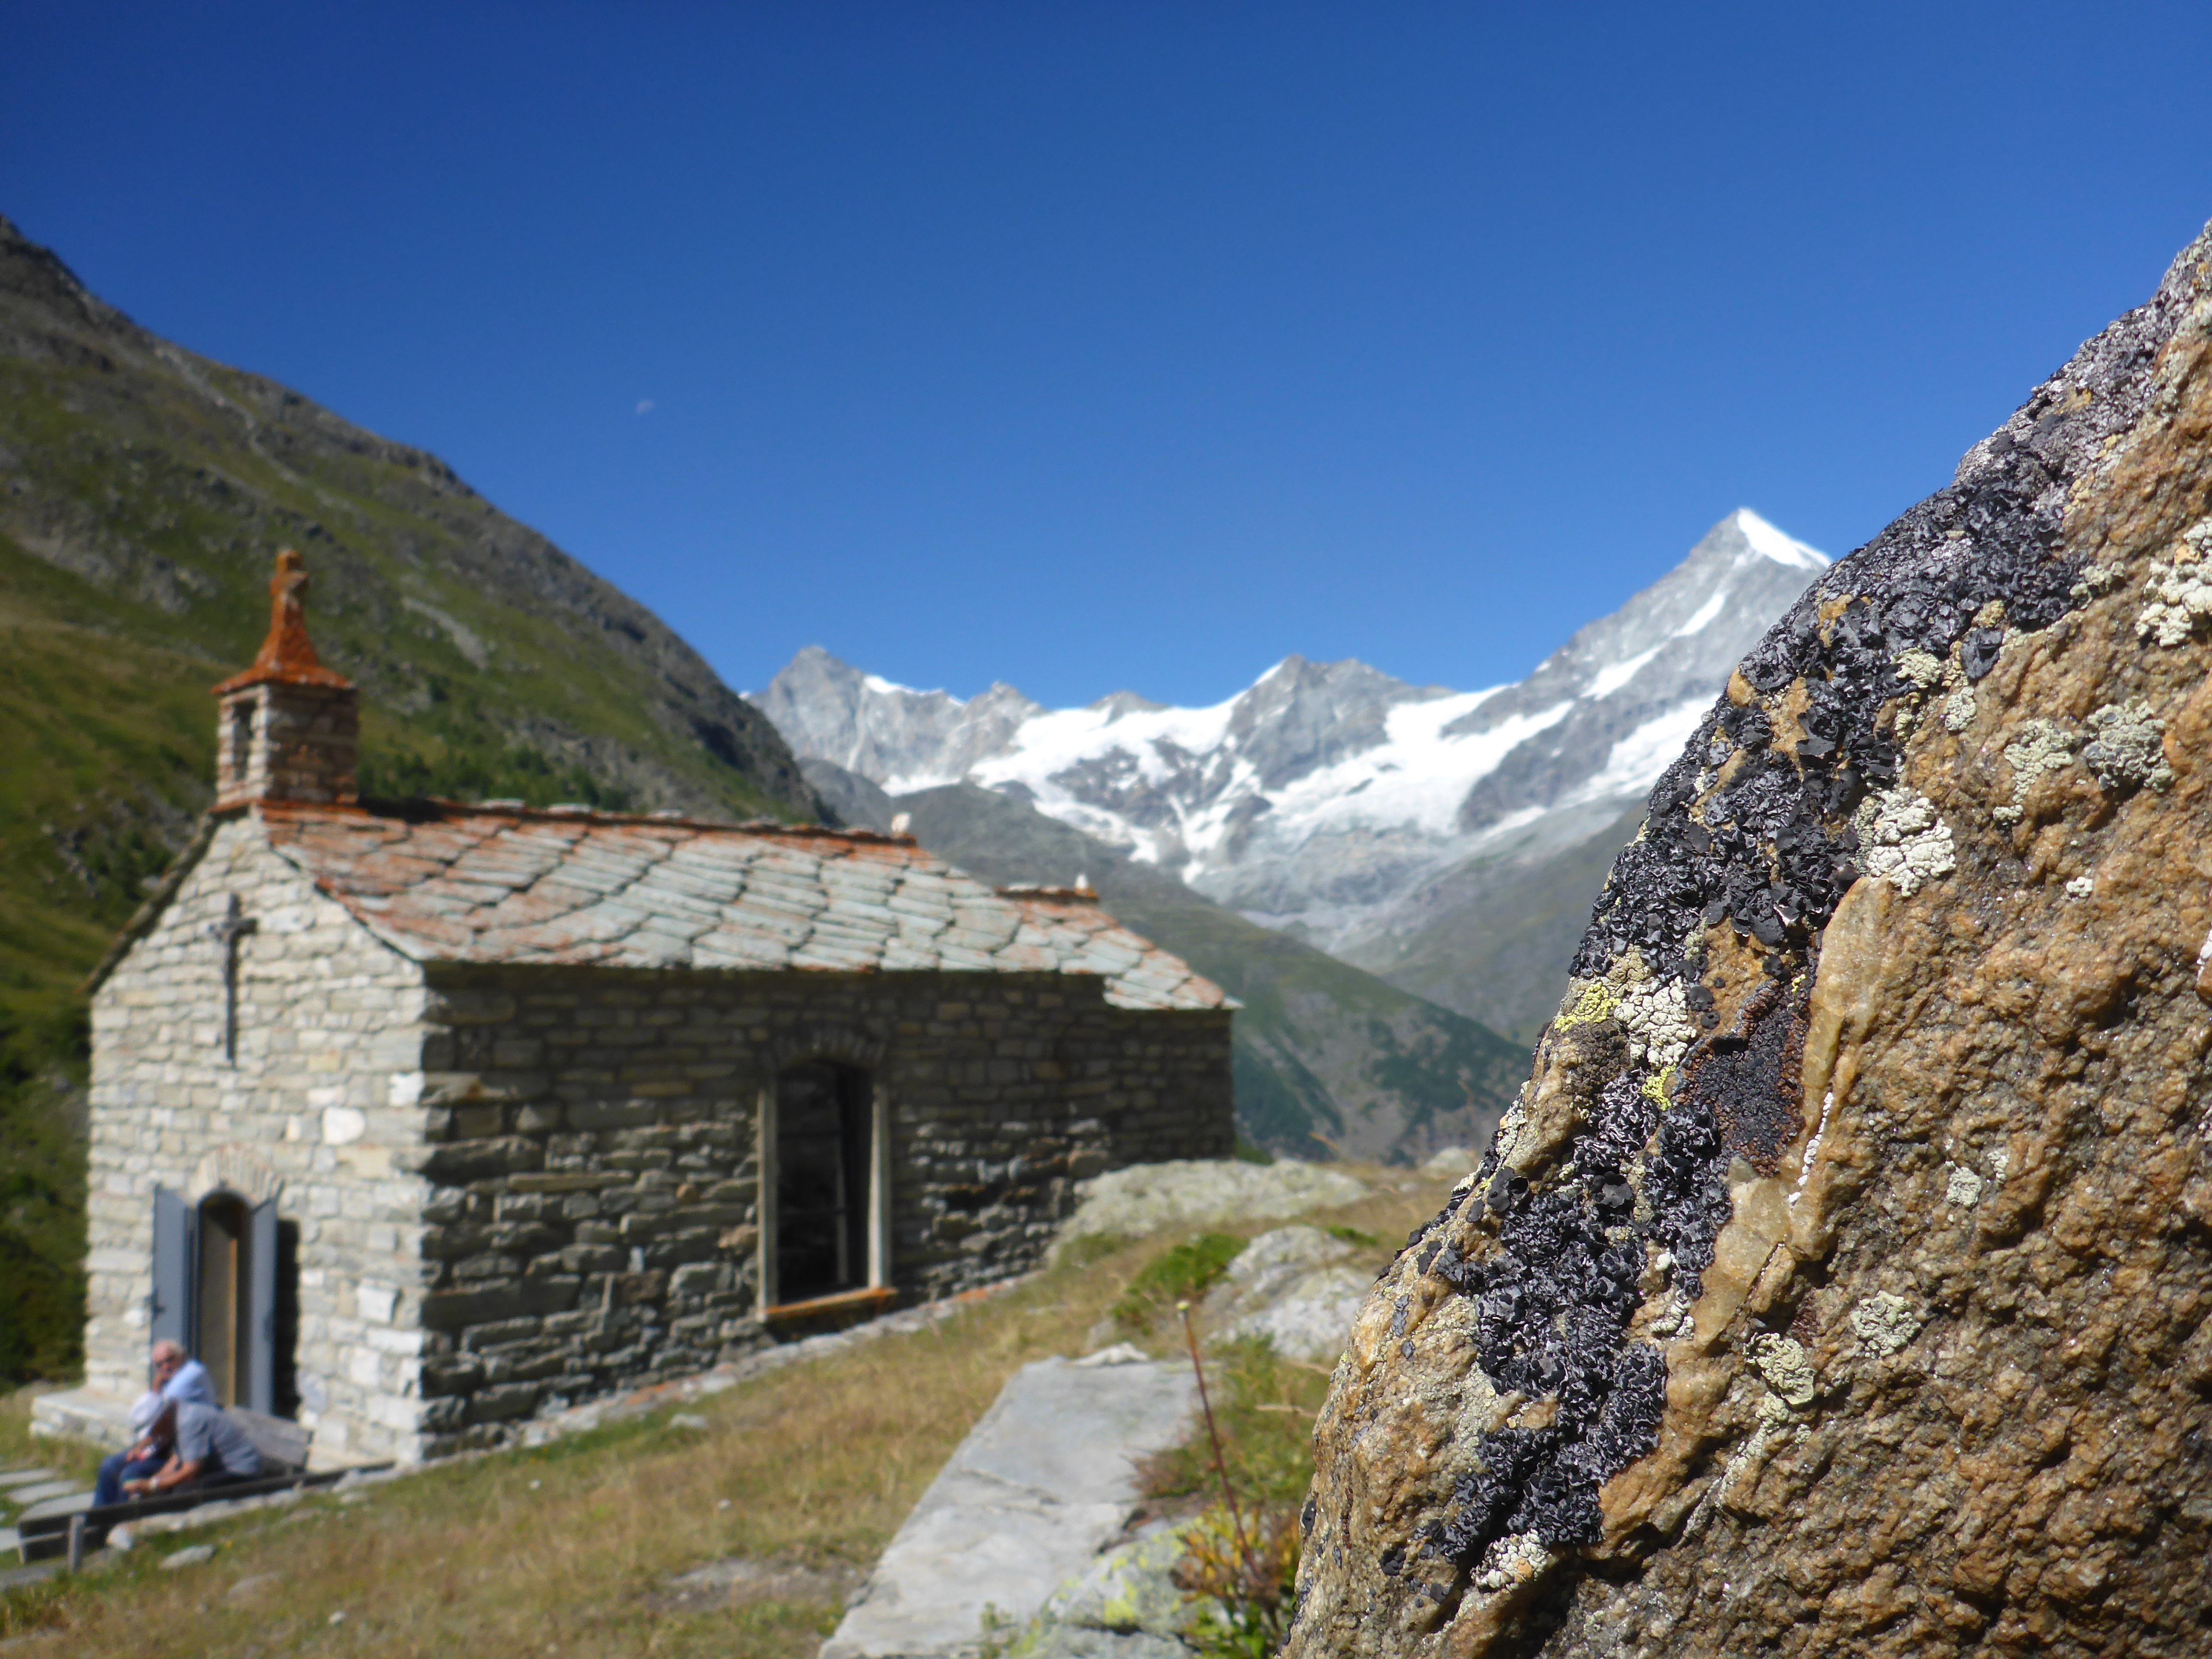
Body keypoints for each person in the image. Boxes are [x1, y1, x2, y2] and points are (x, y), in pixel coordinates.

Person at [122, 1399, 262, 1499]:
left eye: (153, 1431)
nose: (153, 1436)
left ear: (164, 1418)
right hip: (218, 1469)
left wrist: (152, 1486)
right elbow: (177, 1460)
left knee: (182, 1494)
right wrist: (151, 1484)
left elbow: (190, 1472)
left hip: (240, 1472)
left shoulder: (188, 1421)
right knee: (163, 1491)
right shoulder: (179, 1416)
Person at [92, 1392, 172, 1508]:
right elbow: (153, 1432)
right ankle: (99, 1516)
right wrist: (138, 1449)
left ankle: (120, 1518)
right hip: (154, 1448)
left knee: (129, 1475)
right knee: (109, 1465)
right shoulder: (161, 1398)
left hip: (168, 1456)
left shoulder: (182, 1408)